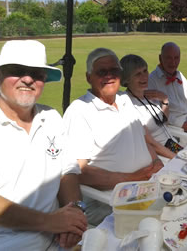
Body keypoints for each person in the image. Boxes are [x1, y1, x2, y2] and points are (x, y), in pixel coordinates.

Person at [0, 40, 87, 250]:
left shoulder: (51, 117)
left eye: (37, 73)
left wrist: (74, 213)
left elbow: (68, 171)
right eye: (17, 70)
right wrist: (51, 222)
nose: (28, 79)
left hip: (55, 242)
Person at [63, 48, 163, 226]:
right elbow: (79, 171)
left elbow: (141, 140)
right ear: (88, 77)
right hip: (113, 200)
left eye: (114, 71)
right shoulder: (79, 111)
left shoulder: (124, 99)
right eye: (102, 72)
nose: (109, 76)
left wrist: (156, 163)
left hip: (149, 184)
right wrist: (132, 179)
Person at [120, 54, 179, 158]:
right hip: (161, 156)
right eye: (138, 74)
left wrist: (165, 100)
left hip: (172, 145)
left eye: (145, 71)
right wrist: (177, 158)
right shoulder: (129, 106)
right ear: (127, 79)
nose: (144, 77)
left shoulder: (148, 95)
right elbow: (151, 144)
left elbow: (163, 121)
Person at [148, 42, 187, 135]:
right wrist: (184, 124)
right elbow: (158, 113)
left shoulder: (180, 75)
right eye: (169, 58)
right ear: (160, 58)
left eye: (176, 58)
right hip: (173, 129)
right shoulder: (152, 80)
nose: (173, 63)